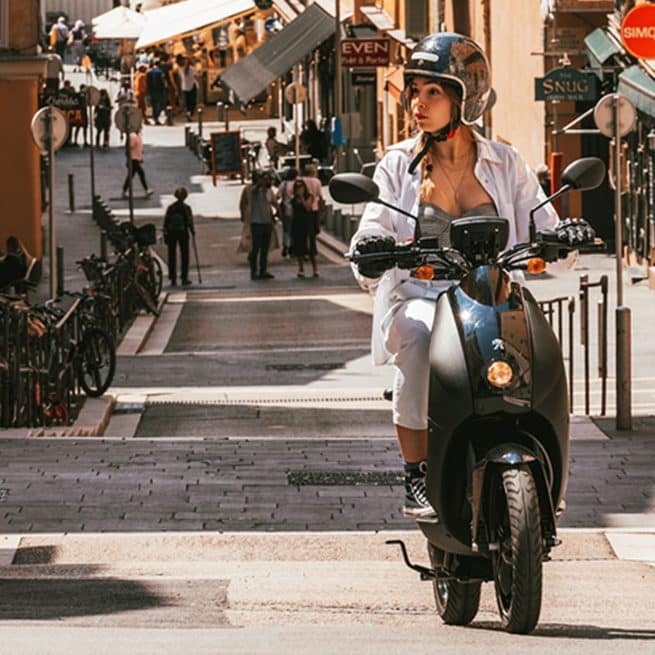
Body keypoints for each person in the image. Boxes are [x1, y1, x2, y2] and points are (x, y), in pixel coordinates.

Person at [348, 32, 591, 518]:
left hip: (493, 292)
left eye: (432, 91)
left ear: (464, 97)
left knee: (541, 342)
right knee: (416, 337)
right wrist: (372, 249)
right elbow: (371, 227)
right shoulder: (398, 164)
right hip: (424, 292)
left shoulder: (506, 161)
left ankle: (548, 462)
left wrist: (565, 236)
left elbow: (540, 223)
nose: (417, 102)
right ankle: (416, 472)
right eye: (414, 90)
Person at [239, 171, 278, 280]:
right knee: (256, 248)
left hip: (267, 223)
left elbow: (275, 203)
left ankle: (263, 270)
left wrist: (278, 213)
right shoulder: (253, 190)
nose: (267, 181)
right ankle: (253, 272)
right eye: (265, 179)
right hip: (256, 223)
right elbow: (244, 201)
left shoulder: (269, 191)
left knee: (265, 249)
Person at [164, 187, 195, 286]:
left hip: (172, 232)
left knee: (171, 255)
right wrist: (192, 231)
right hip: (183, 232)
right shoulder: (186, 208)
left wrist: (166, 233)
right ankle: (184, 277)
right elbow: (189, 221)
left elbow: (166, 221)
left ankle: (173, 278)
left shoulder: (171, 207)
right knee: (184, 255)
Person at [290, 178, 319, 278]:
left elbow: (308, 207)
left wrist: (302, 197)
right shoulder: (293, 199)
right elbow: (293, 212)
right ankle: (301, 269)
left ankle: (315, 269)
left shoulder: (309, 196)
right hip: (298, 224)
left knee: (310, 246)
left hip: (307, 223)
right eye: (297, 187)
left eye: (301, 187)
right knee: (299, 247)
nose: (299, 189)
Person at [122, 128, 153, 198]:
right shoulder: (132, 136)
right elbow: (129, 148)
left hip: (136, 159)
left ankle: (124, 191)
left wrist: (140, 158)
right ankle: (146, 190)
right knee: (141, 173)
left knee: (131, 176)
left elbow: (138, 148)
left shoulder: (138, 136)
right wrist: (128, 159)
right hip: (133, 159)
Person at [277, 168, 297, 257]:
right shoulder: (298, 184)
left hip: (286, 210)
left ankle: (285, 246)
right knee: (295, 230)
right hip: (297, 210)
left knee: (286, 230)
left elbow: (277, 196)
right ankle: (293, 247)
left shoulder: (283, 184)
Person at [146, 59, 167, 125]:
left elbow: (146, 82)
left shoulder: (148, 72)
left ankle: (155, 117)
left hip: (151, 91)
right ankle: (156, 117)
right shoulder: (160, 72)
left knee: (154, 105)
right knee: (161, 104)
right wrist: (165, 88)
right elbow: (163, 82)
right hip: (159, 91)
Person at [179, 57, 198, 121]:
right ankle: (190, 113)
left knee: (186, 101)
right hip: (192, 86)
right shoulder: (192, 69)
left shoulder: (181, 69)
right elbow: (195, 76)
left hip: (184, 87)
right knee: (192, 101)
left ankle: (187, 112)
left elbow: (180, 78)